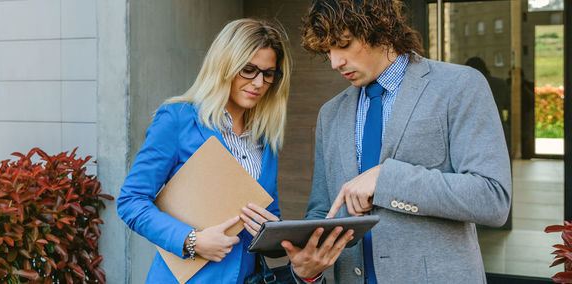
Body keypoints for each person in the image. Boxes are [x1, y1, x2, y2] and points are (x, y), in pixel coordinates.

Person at [285, 0, 512, 283]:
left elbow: (492, 198)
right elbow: (323, 210)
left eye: (343, 44)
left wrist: (386, 180)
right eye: (328, 51)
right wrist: (308, 268)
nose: (335, 62)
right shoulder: (330, 114)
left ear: (380, 29)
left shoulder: (459, 86)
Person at [117, 18, 293, 283]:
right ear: (224, 66)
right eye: (249, 69)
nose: (259, 83)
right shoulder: (177, 120)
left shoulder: (265, 139)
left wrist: (272, 233)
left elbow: (270, 215)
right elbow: (131, 201)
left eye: (268, 74)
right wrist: (192, 240)